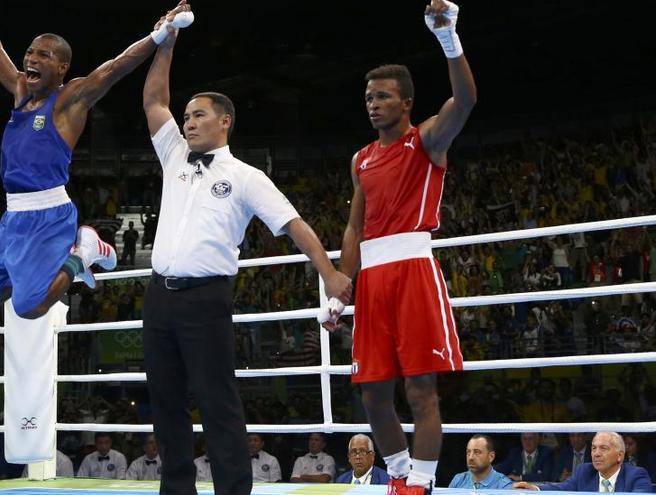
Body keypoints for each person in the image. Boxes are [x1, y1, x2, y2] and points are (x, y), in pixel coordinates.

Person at [140, 7, 353, 495]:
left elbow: (293, 224)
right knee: (165, 400)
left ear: (224, 121)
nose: (188, 122)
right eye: (187, 115)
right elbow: (154, 100)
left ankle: (233, 491)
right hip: (159, 298)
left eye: (198, 115)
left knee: (217, 402)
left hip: (206, 299)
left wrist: (329, 274)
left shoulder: (245, 176)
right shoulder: (174, 154)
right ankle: (176, 490)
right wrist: (167, 39)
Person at [0, 0, 192, 320]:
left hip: (49, 215)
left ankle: (82, 254)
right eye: (30, 53)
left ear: (63, 67)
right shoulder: (21, 89)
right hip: (12, 219)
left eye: (44, 55)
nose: (31, 60)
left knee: (30, 307)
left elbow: (116, 66)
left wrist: (160, 34)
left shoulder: (71, 99)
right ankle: (35, 274)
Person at [332, 1, 476, 494]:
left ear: (406, 103)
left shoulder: (427, 141)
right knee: (372, 392)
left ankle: (423, 480)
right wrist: (338, 290)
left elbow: (466, 101)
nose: (373, 103)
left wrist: (448, 39)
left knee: (420, 389)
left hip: (414, 269)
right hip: (370, 278)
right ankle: (397, 474)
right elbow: (354, 228)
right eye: (368, 96)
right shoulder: (361, 160)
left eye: (383, 96)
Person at [514, 432, 651, 492]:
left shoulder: (636, 475)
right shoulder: (584, 471)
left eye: (603, 448)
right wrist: (535, 488)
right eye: (593, 448)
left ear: (620, 455)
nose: (596, 454)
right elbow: (561, 488)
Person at [448, 435, 513, 489]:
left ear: (491, 457)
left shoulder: (504, 485)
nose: (471, 457)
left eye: (477, 452)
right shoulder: (459, 479)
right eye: (468, 452)